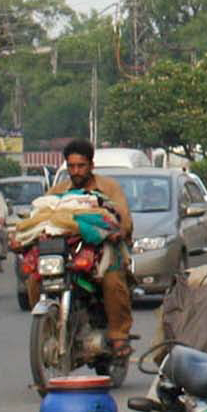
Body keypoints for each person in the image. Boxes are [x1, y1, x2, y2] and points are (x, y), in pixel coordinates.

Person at [36, 139, 134, 365]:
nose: (75, 171)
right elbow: (40, 216)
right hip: (67, 254)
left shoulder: (109, 189)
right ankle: (49, 325)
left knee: (112, 280)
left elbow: (124, 218)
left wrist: (118, 229)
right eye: (71, 166)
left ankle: (119, 336)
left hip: (102, 251)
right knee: (35, 279)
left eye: (80, 166)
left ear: (91, 165)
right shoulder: (58, 191)